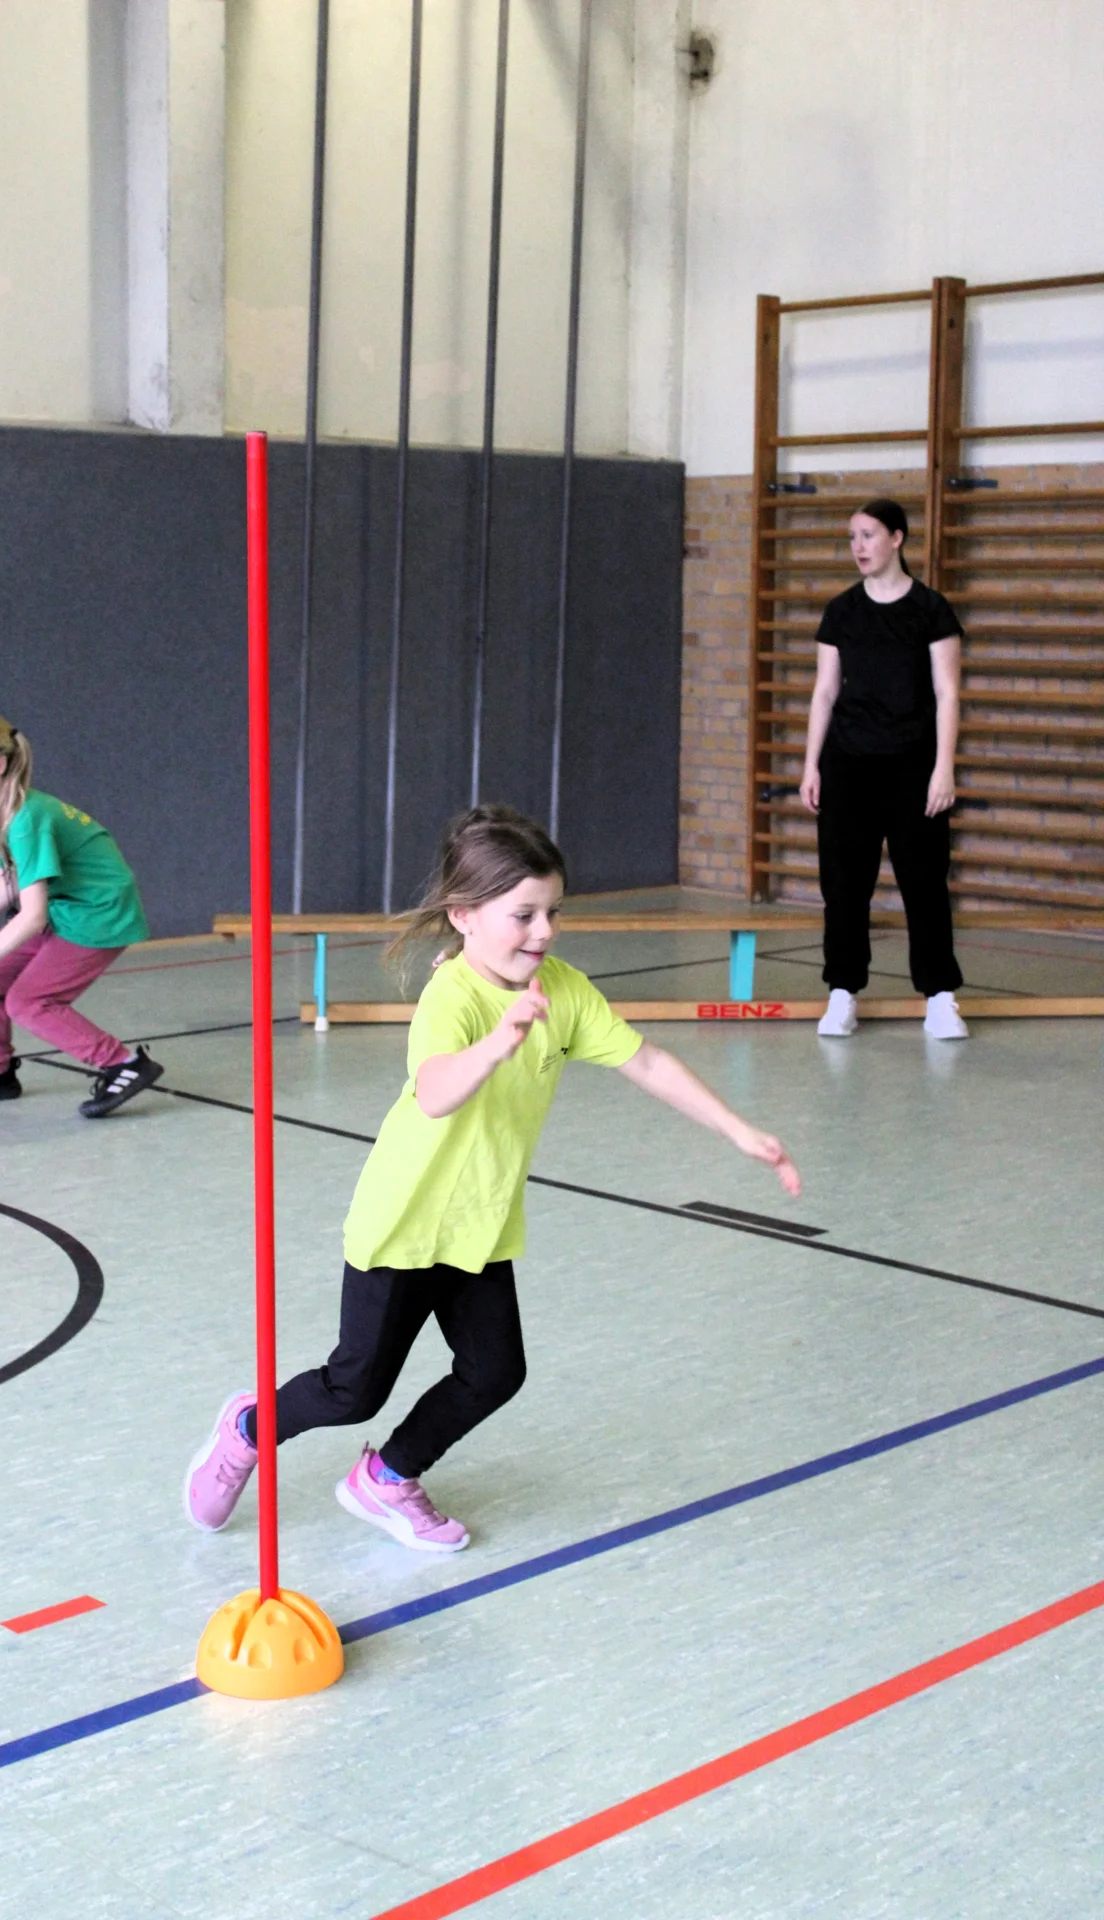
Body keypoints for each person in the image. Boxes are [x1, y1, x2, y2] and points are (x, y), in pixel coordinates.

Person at [184, 804, 801, 1554]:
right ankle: (248, 1428)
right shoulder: (453, 996)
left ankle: (387, 1476)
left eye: (554, 912)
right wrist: (499, 1042)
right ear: (464, 915)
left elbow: (645, 1060)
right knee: (353, 1389)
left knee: (495, 1372)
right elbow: (435, 1091)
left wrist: (738, 1130)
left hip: (480, 1225)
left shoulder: (563, 990)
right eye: (524, 915)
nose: (544, 932)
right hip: (405, 1223)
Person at [0, 709, 164, 1118]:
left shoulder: (28, 820)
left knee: (29, 1001)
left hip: (99, 915)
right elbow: (10, 885)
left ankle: (124, 1064)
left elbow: (31, 916)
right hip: (64, 908)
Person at [800, 498, 968, 1041]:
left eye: (868, 535)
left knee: (924, 882)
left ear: (897, 538)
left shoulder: (931, 610)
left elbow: (947, 693)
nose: (858, 547)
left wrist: (944, 768)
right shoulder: (841, 611)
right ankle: (842, 992)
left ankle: (939, 997)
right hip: (848, 765)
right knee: (844, 884)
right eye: (852, 537)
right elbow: (825, 693)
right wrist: (811, 765)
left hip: (914, 766)